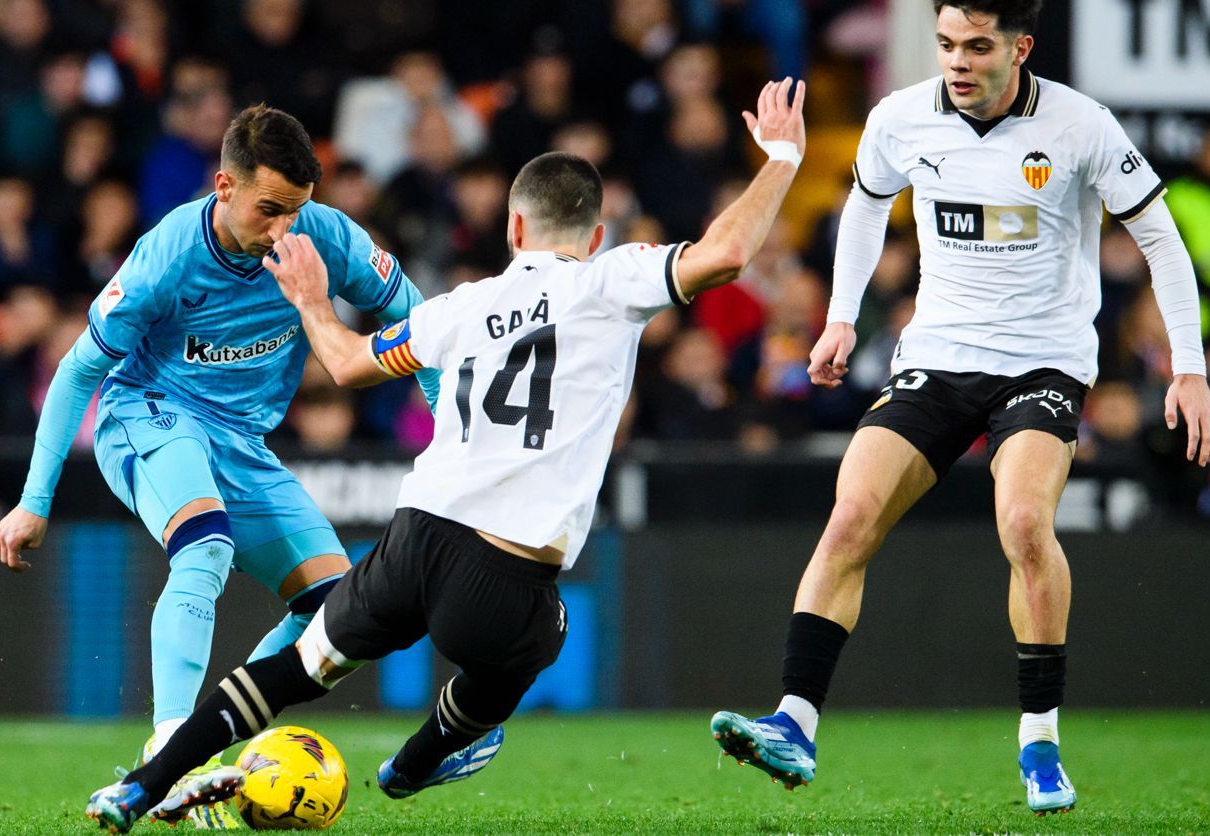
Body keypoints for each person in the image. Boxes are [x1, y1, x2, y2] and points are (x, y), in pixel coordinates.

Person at [83, 77, 807, 832]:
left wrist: (310, 301)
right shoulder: (610, 281)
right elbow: (725, 254)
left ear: (515, 229)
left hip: (412, 541)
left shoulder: (461, 305)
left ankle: (140, 785)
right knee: (533, 647)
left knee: (294, 673)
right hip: (507, 571)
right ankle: (422, 758)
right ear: (594, 236)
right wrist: (782, 156)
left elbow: (351, 364)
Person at [708, 0, 1210, 817]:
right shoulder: (900, 119)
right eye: (946, 42)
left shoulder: (1081, 126)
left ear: (1020, 48)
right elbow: (868, 206)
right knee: (851, 514)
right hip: (939, 354)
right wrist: (841, 317)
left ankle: (1041, 739)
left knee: (1023, 520)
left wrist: (1191, 369)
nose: (956, 61)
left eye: (977, 46)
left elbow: (1163, 242)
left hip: (1045, 359)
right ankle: (794, 722)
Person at [0, 104, 442, 828]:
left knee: (339, 614)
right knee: (205, 547)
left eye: (295, 211)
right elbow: (78, 373)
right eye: (268, 210)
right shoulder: (167, 255)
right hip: (147, 412)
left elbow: (422, 325)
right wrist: (33, 500)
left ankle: (228, 755)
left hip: (241, 441)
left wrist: (451, 434)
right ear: (223, 183)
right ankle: (170, 750)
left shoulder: (322, 238)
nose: (281, 232)